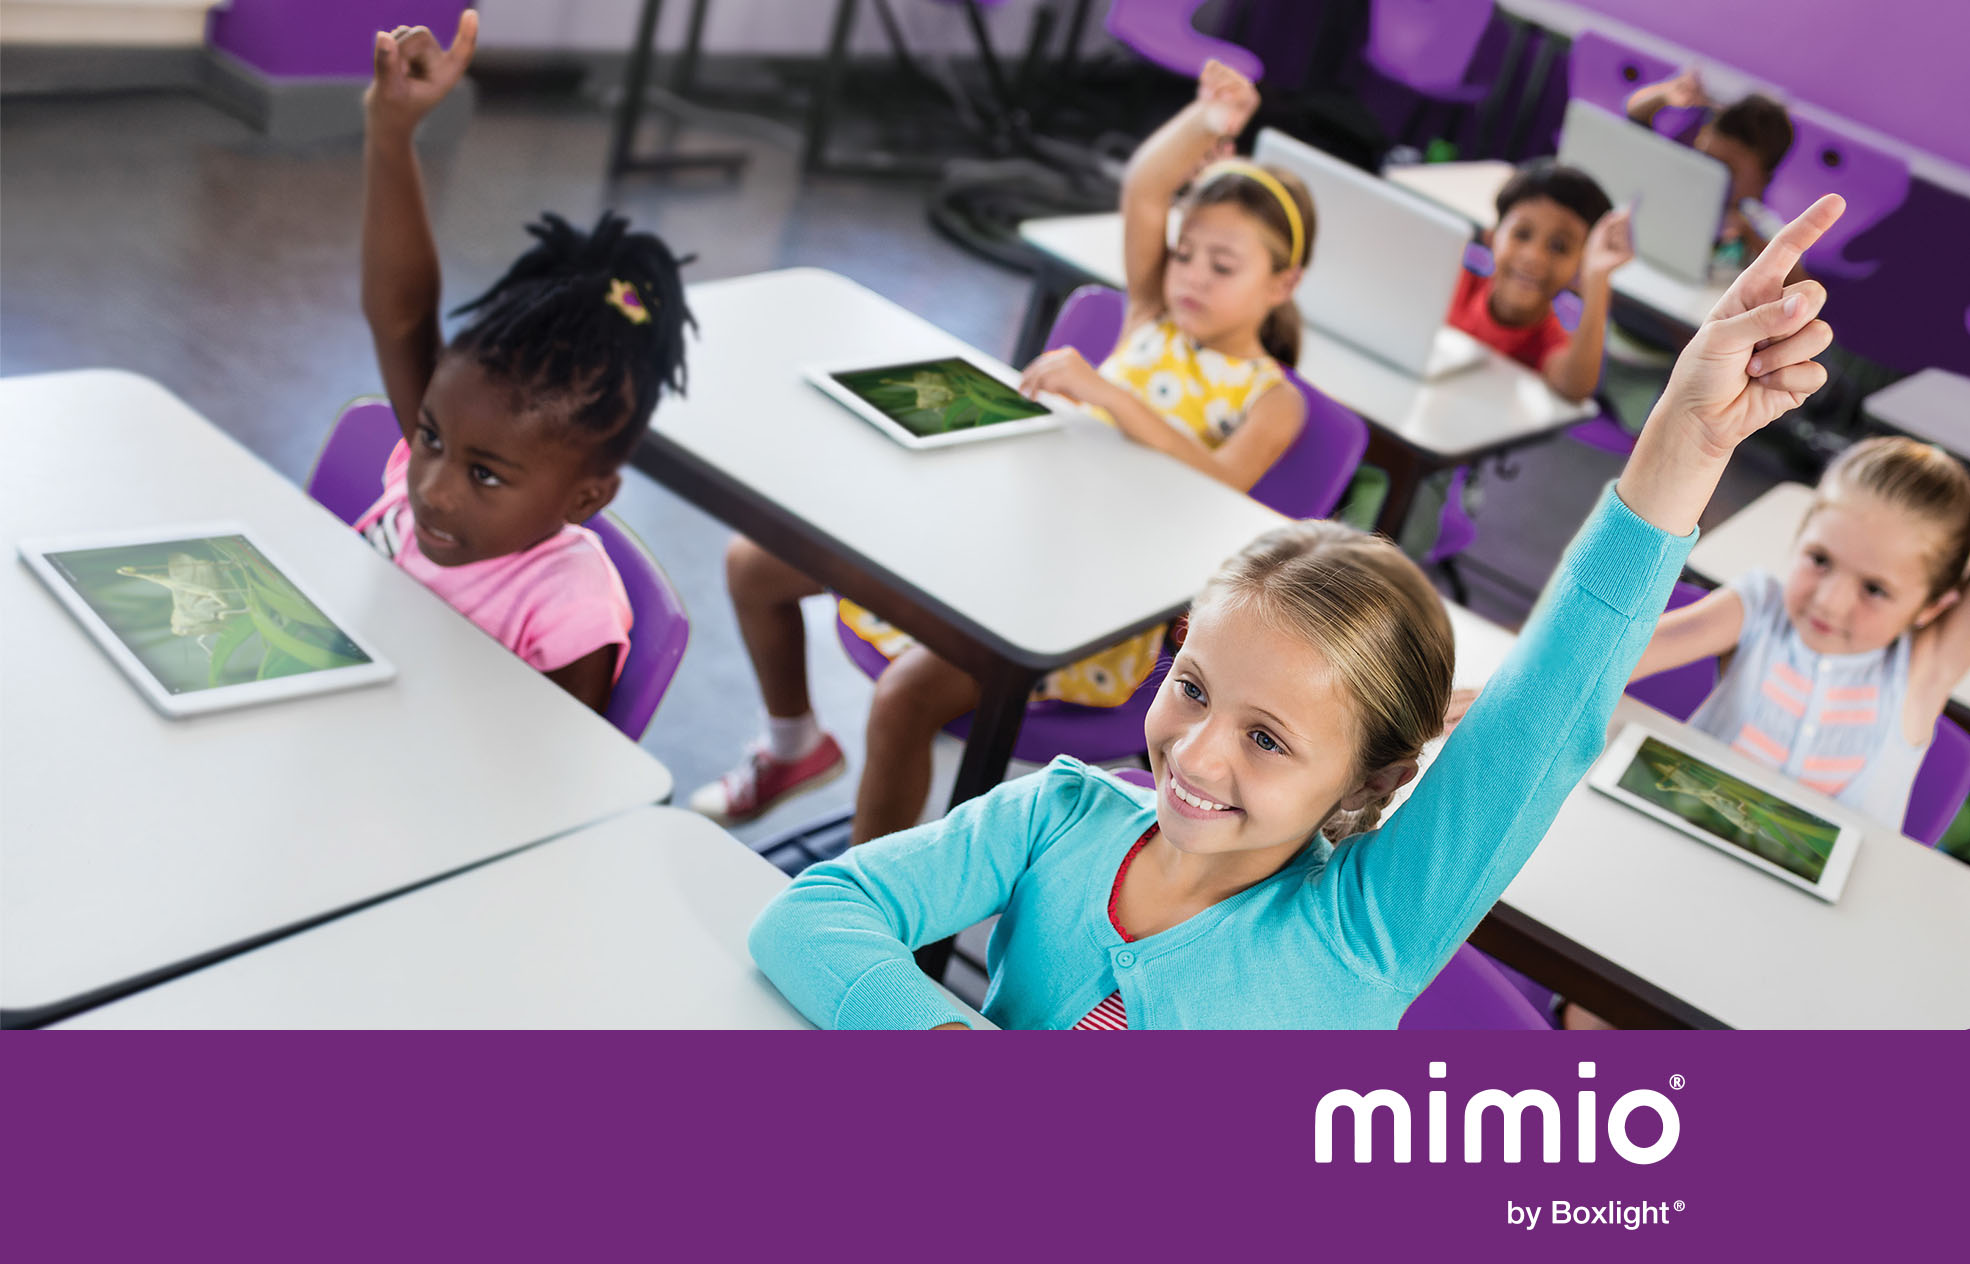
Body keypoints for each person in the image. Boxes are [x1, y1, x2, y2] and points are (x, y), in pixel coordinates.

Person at [747, 198, 1848, 1030]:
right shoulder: (1056, 815)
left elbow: (1545, 714)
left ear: (1366, 780)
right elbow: (810, 914)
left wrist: (1681, 447)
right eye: (1192, 688)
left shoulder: (1365, 931)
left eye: (1269, 737)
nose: (1196, 748)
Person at [689, 59, 1309, 835]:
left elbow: (1219, 487)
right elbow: (1148, 189)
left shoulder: (1273, 399)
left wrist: (1111, 396)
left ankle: (853, 915)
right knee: (754, 563)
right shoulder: (1154, 316)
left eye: (1223, 266)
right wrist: (1208, 121)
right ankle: (793, 746)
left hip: (1087, 611)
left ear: (1283, 284)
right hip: (1002, 546)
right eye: (1186, 255)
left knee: (904, 699)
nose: (1190, 276)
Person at [359, 11, 694, 713]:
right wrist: (390, 135)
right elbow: (403, 315)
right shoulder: (448, 453)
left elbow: (553, 788)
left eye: (484, 474)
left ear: (586, 499)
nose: (434, 488)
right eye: (430, 438)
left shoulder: (569, 613)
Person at [1626, 69, 1795, 263]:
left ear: (1762, 182)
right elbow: (1636, 119)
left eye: (1727, 170)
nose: (1711, 174)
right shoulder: (1675, 182)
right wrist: (1664, 96)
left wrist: (1748, 234)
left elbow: (1801, 281)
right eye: (1706, 159)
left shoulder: (1759, 224)